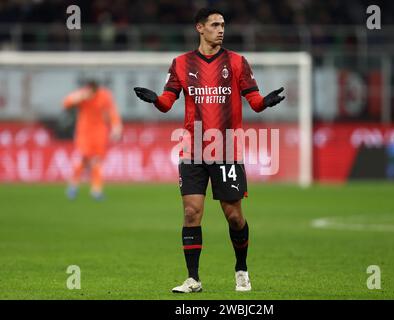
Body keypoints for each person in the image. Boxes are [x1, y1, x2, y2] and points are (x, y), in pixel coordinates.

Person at [133, 8, 285, 293]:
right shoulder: (181, 64)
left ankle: (241, 268)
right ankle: (193, 278)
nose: (221, 29)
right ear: (199, 28)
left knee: (234, 216)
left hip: (226, 148)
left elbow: (253, 101)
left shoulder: (237, 62)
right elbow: (168, 102)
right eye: (215, 24)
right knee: (192, 213)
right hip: (192, 149)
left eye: (223, 24)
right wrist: (155, 99)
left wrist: (265, 101)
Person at [63, 80, 122, 200]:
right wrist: (78, 97)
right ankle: (74, 185)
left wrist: (116, 126)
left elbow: (112, 112)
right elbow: (66, 104)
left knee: (97, 160)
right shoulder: (82, 95)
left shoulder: (105, 95)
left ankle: (96, 190)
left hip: (99, 132)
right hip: (84, 132)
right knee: (85, 158)